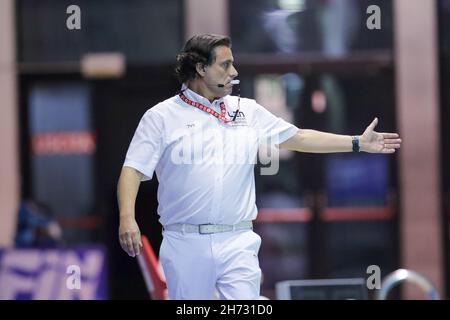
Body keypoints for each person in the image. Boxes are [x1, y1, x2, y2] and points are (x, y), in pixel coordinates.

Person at [117, 34, 402, 300]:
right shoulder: (160, 117)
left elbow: (299, 137)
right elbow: (132, 169)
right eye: (225, 64)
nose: (234, 72)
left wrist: (356, 143)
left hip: (238, 239)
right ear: (201, 68)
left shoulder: (246, 110)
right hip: (185, 242)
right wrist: (127, 218)